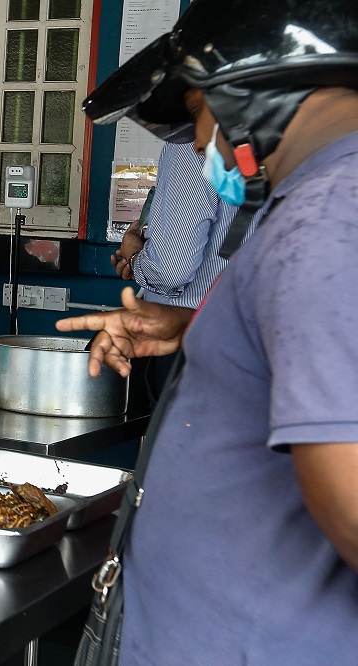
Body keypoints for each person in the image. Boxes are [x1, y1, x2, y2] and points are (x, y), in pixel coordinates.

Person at [57, 0, 358, 663]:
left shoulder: (331, 214)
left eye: (197, 115)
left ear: (257, 97)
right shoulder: (318, 205)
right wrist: (197, 329)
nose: (197, 144)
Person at [111, 141, 259, 402]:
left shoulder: (191, 144)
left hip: (186, 339)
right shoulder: (274, 138)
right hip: (249, 337)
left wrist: (135, 258)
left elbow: (170, 271)